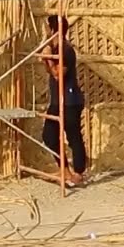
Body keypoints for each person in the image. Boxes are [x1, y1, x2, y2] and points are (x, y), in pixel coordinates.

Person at [40, 15, 87, 187]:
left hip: (70, 100)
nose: (45, 33)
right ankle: (64, 170)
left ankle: (79, 173)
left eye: (47, 29)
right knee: (49, 136)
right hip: (57, 100)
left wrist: (49, 59)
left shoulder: (66, 50)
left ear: (53, 30)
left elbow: (59, 75)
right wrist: (47, 59)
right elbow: (50, 71)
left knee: (73, 136)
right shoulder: (55, 49)